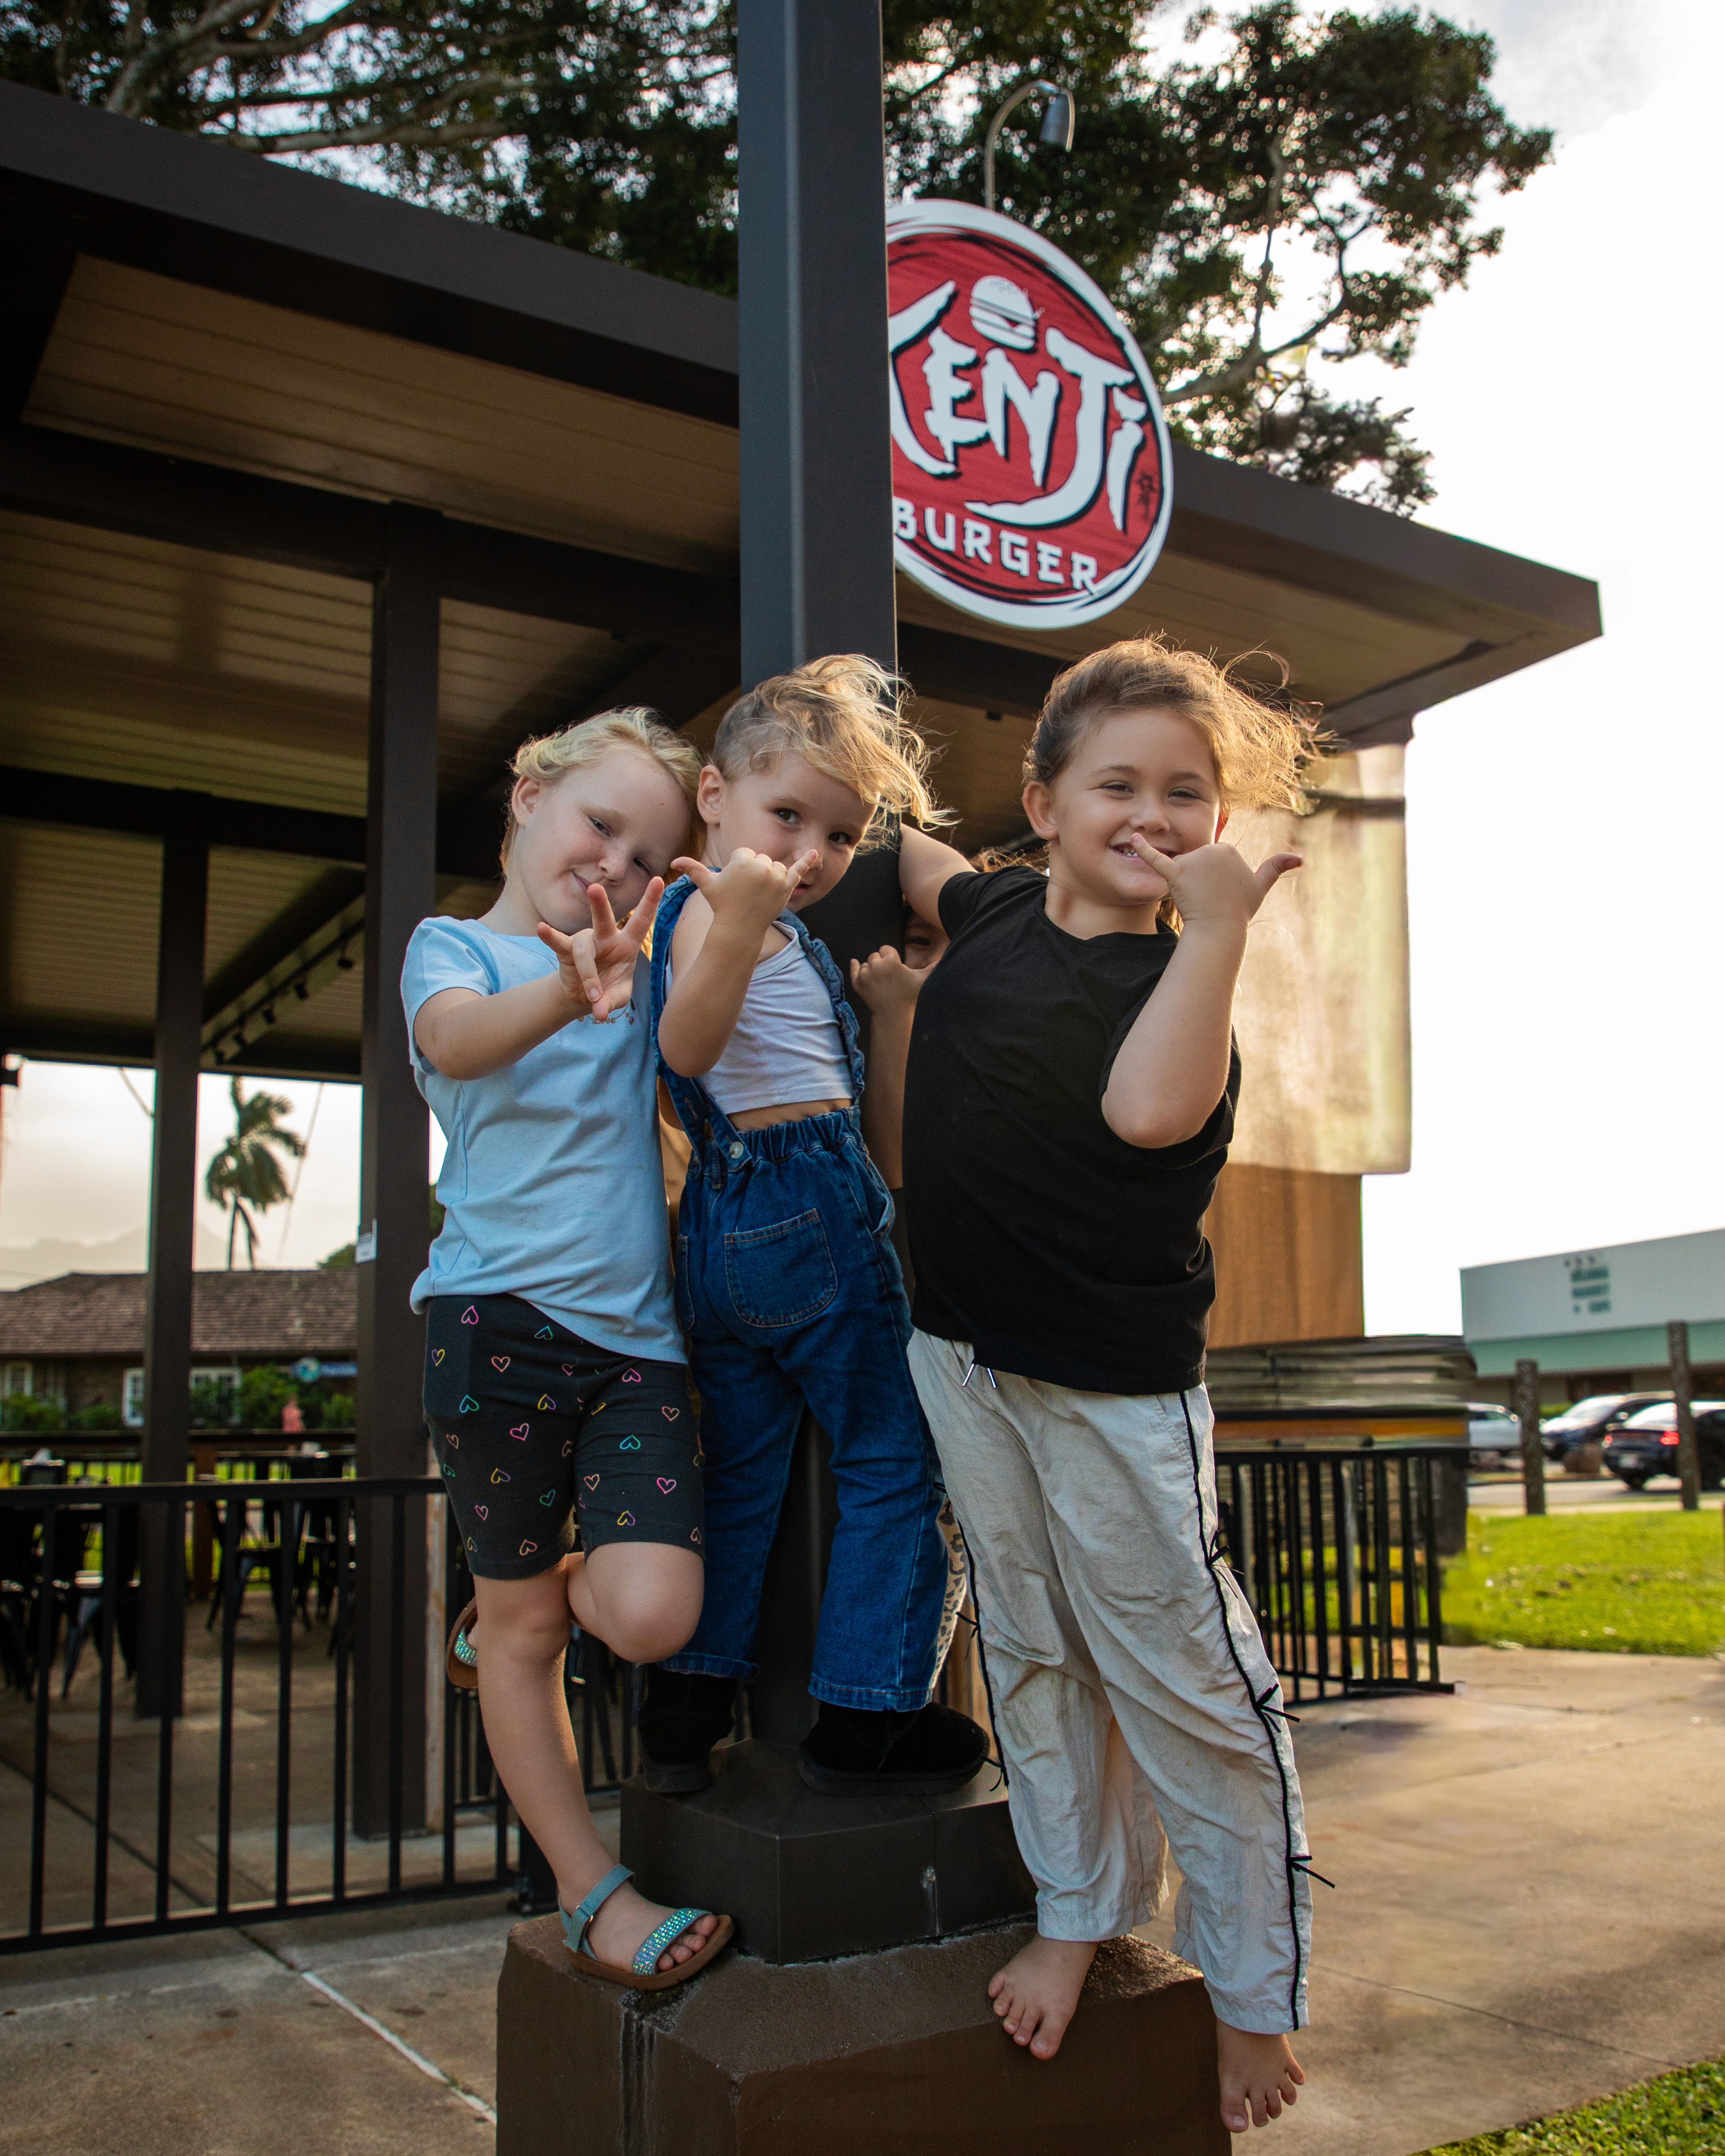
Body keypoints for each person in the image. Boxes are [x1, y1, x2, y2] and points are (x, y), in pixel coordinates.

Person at [897, 637, 1318, 2135]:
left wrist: (1216, 933)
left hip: (1109, 1391)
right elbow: (914, 854)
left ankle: (1253, 1990)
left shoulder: (1177, 974)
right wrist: (818, 778)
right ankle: (1076, 1907)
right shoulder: (998, 906)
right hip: (959, 1355)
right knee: (1030, 1643)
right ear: (1045, 800)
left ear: (1217, 826)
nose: (1149, 813)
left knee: (1186, 1683)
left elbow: (1146, 1112)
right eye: (1115, 784)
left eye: (1184, 793)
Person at [404, 708, 733, 1989]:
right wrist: (566, 983)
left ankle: (501, 1602)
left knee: (651, 1614)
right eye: (601, 824)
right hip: (493, 1332)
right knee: (537, 1633)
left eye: (649, 856)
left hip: (636, 1352)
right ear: (527, 798)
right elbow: (449, 1043)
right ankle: (593, 1890)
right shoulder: (459, 949)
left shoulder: (640, 964)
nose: (619, 868)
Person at [639, 655, 988, 1796]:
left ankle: (685, 1707)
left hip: (729, 1229)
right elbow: (685, 1049)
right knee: (899, 1454)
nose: (810, 854)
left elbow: (883, 1141)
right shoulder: (714, 912)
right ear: (712, 796)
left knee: (743, 1470)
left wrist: (894, 1011)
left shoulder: (773, 936)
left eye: (839, 836)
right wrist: (742, 916)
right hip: (810, 1206)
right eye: (786, 815)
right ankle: (868, 1710)